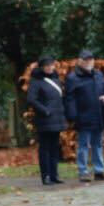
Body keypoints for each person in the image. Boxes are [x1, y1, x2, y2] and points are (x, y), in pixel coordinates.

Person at [64, 50, 104, 182]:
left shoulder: (98, 74)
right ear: (80, 61)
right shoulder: (73, 78)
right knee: (84, 145)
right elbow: (69, 99)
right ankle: (83, 171)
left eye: (91, 59)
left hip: (99, 114)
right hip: (83, 116)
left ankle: (99, 171)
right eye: (86, 60)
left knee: (98, 144)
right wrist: (73, 116)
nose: (89, 62)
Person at [26, 56, 66, 186]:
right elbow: (32, 99)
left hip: (57, 119)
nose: (50, 68)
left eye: (51, 65)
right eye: (47, 66)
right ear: (42, 67)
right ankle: (46, 176)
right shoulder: (36, 81)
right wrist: (44, 110)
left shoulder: (56, 79)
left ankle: (54, 175)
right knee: (45, 149)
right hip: (45, 119)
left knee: (55, 148)